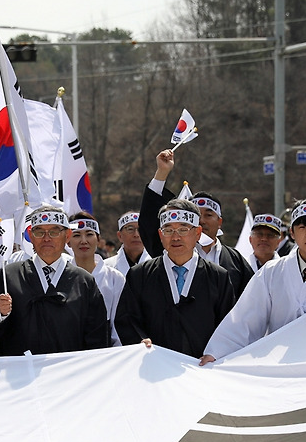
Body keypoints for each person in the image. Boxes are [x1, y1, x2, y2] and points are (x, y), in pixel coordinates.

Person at [201, 202, 306, 364]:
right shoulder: (271, 272)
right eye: (302, 227)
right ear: (292, 233)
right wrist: (217, 352)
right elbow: (246, 317)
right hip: (280, 364)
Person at [0, 205, 111, 355]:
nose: (46, 238)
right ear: (31, 235)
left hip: (69, 372)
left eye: (54, 232)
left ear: (67, 236)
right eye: (39, 232)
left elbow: (97, 337)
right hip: (19, 373)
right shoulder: (9, 276)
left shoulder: (84, 281)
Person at [116, 199, 235, 357]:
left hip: (203, 369)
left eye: (183, 230)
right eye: (168, 230)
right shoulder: (140, 275)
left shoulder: (218, 276)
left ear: (197, 233)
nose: (176, 237)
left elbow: (229, 326)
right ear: (160, 234)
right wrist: (140, 341)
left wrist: (216, 352)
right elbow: (127, 319)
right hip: (154, 366)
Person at [140, 150, 251, 295]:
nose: (202, 220)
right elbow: (148, 222)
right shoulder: (173, 249)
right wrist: (162, 173)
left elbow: (250, 301)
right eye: (197, 215)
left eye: (208, 215)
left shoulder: (236, 261)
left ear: (220, 222)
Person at [68, 212, 126, 346]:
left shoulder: (114, 278)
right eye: (76, 235)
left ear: (98, 239)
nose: (84, 241)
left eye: (89, 234)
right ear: (68, 241)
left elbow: (118, 326)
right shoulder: (59, 277)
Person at [103, 211, 151, 276]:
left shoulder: (157, 266)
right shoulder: (105, 267)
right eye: (130, 229)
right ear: (120, 236)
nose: (136, 235)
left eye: (140, 229)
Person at [242, 213, 285, 282]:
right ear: (250, 239)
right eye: (259, 234)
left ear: (278, 242)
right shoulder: (240, 268)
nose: (264, 239)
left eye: (270, 235)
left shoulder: (286, 269)